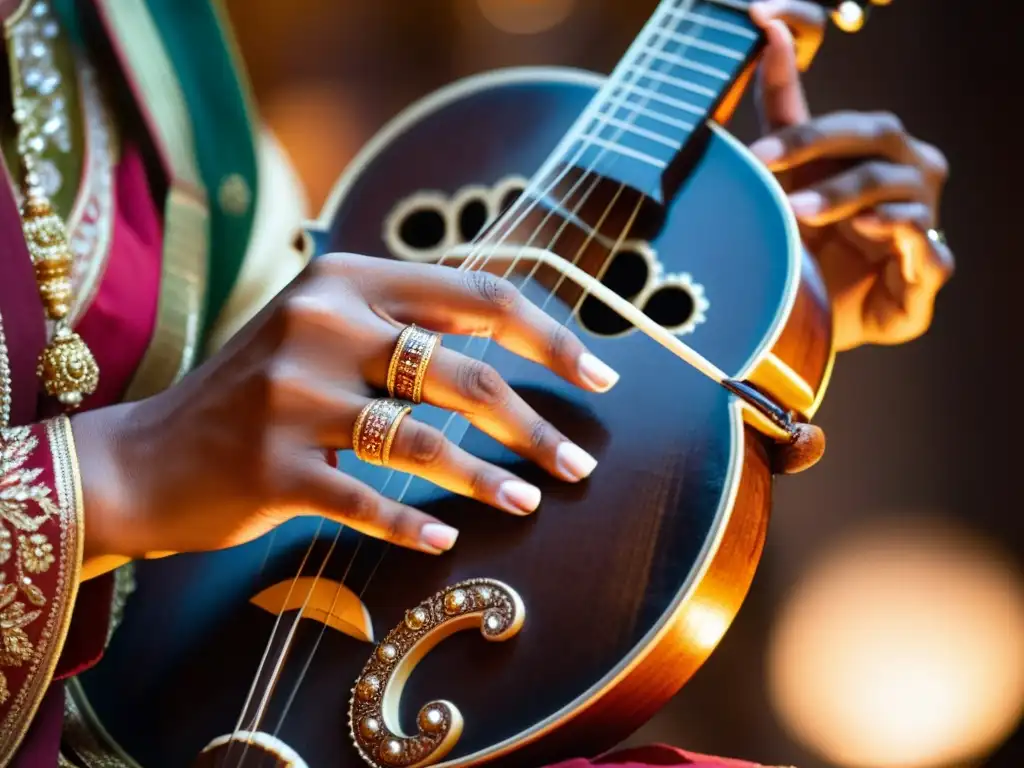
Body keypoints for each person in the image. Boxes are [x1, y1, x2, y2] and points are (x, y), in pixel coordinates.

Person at [0, 0, 953, 765]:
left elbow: (302, 377)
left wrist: (762, 285)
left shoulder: (148, 31)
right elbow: (214, 417)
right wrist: (114, 476)